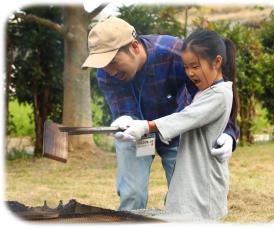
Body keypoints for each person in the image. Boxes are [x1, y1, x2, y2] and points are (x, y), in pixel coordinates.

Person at [82, 17, 239, 211]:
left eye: (113, 62)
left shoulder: (176, 54)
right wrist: (124, 119)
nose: (110, 71)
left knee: (183, 196)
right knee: (132, 195)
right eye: (103, 65)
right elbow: (124, 109)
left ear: (135, 47)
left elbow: (215, 94)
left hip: (177, 133)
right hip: (136, 135)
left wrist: (229, 133)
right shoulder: (105, 73)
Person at [123, 29, 237, 220]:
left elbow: (185, 117)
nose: (190, 73)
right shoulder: (203, 92)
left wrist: (146, 126)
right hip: (191, 175)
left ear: (217, 62)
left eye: (195, 66)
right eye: (186, 67)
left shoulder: (219, 94)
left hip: (203, 181)